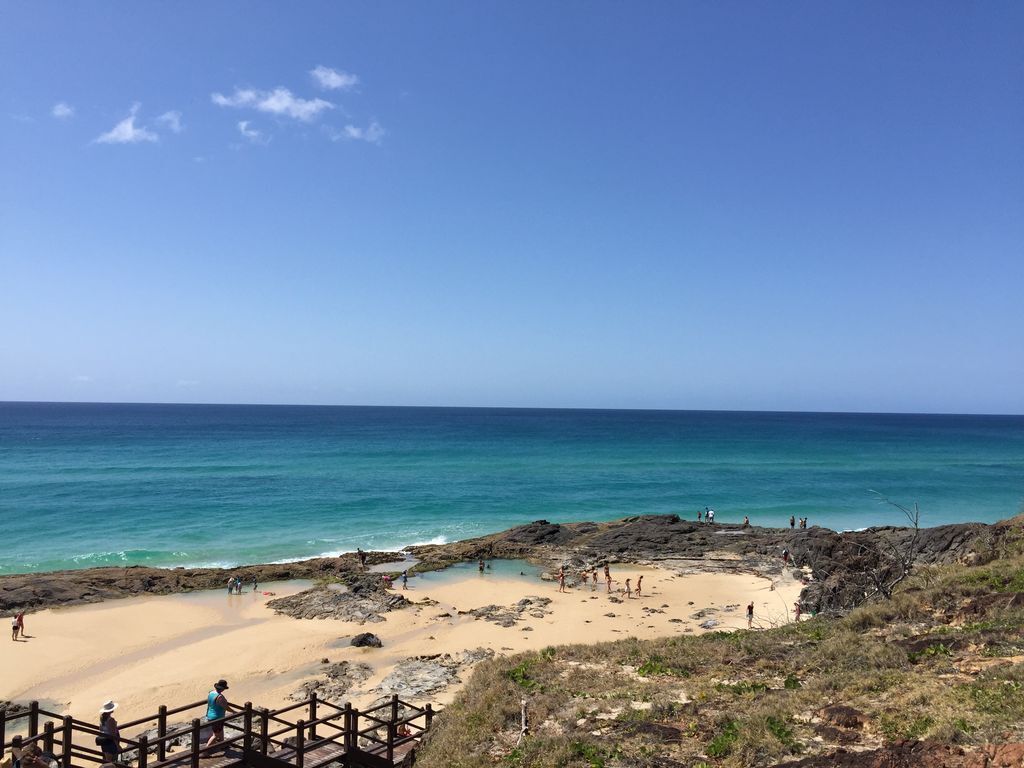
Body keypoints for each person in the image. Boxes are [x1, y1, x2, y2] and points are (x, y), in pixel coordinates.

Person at [205, 680, 229, 748]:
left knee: (220, 731)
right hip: (217, 717)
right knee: (216, 735)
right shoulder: (220, 697)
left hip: (210, 715)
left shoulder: (211, 693)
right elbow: (226, 707)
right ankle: (205, 751)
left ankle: (222, 744)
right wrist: (234, 712)